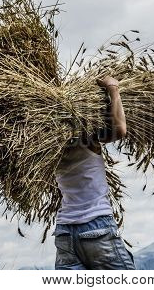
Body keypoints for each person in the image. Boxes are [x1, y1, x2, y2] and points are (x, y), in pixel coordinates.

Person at [51, 75, 136, 270]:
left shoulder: (52, 150)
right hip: (96, 227)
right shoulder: (88, 139)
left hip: (64, 233)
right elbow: (120, 130)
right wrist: (113, 89)